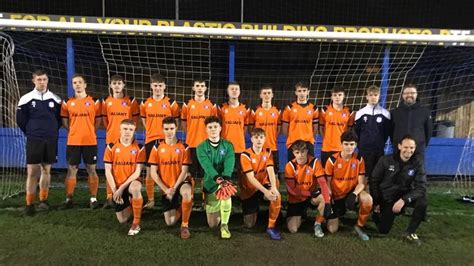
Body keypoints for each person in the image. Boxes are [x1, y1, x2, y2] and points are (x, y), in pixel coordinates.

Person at [16, 70, 61, 215]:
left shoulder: (56, 99)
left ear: (47, 81)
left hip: (50, 138)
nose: (42, 82)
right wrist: (32, 132)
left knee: (46, 169)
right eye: (39, 79)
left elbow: (59, 120)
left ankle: (43, 201)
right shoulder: (26, 99)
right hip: (34, 139)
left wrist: (51, 130)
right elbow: (21, 120)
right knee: (32, 171)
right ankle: (29, 204)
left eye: (44, 79)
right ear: (33, 81)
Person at [370, 135, 427, 245]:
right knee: (384, 230)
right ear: (399, 146)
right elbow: (374, 181)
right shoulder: (385, 160)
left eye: (412, 148)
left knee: (422, 201)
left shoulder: (417, 162)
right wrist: (376, 202)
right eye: (406, 147)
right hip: (388, 196)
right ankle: (377, 215)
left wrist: (404, 200)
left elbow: (422, 187)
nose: (409, 151)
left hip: (404, 195)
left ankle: (410, 232)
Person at [60, 74, 101, 209]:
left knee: (91, 169)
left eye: (79, 82)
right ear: (72, 85)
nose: (77, 85)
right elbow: (65, 120)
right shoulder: (67, 102)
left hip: (90, 141)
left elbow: (98, 120)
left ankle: (93, 198)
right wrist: (73, 131)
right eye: (74, 83)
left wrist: (90, 131)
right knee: (72, 170)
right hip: (73, 141)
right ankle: (69, 198)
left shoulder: (94, 102)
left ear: (85, 85)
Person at [148, 117, 194, 240]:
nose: (169, 131)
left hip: (180, 182)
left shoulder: (184, 147)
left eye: (172, 128)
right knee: (170, 222)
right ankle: (186, 207)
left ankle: (185, 225)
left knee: (186, 192)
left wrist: (173, 188)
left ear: (176, 128)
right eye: (166, 129)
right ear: (162, 130)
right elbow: (153, 173)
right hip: (166, 187)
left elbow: (184, 171)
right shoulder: (156, 148)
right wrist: (166, 189)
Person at [140, 73, 179, 209]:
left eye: (160, 86)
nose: (157, 88)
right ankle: (151, 199)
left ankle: (166, 197)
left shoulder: (171, 103)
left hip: (166, 141)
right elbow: (144, 120)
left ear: (164, 87)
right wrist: (152, 131)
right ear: (151, 86)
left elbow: (175, 121)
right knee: (151, 170)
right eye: (155, 86)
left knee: (166, 170)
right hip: (151, 140)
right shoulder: (145, 103)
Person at [324, 131, 372, 241]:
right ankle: (335, 214)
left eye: (352, 144)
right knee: (332, 229)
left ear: (355, 145)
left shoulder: (359, 159)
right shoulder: (332, 160)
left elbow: (361, 183)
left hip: (351, 193)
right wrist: (329, 197)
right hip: (336, 196)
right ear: (341, 144)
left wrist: (354, 194)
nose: (349, 147)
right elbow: (327, 182)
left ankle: (359, 226)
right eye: (346, 144)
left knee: (367, 199)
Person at [102, 75, 139, 208]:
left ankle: (128, 193)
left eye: (119, 83)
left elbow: (134, 120)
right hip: (112, 138)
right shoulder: (106, 101)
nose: (117, 86)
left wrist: (129, 134)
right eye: (114, 83)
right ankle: (110, 196)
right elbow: (106, 121)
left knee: (130, 167)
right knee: (111, 169)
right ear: (110, 86)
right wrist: (112, 130)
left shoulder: (131, 101)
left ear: (123, 85)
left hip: (128, 140)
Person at [104, 119, 145, 236]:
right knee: (122, 220)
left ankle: (136, 223)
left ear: (134, 131)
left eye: (131, 129)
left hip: (131, 183)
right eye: (125, 129)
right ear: (120, 130)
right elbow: (108, 171)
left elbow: (137, 172)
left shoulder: (140, 147)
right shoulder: (111, 147)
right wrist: (115, 191)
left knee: (136, 188)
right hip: (116, 186)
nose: (128, 132)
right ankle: (135, 204)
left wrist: (121, 188)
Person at [196, 116, 235, 239]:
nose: (213, 129)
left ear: (220, 128)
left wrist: (226, 178)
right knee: (212, 224)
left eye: (215, 127)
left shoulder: (228, 145)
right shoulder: (200, 147)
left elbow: (230, 162)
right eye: (210, 127)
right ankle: (216, 206)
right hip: (210, 183)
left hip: (224, 180)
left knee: (226, 190)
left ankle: (225, 225)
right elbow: (206, 165)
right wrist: (217, 178)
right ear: (206, 129)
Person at [239, 128, 281, 240]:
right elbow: (251, 178)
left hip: (264, 184)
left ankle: (271, 227)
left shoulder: (268, 151)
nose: (259, 140)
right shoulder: (245, 154)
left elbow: (271, 170)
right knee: (249, 224)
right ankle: (262, 211)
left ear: (265, 139)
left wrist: (273, 188)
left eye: (261, 137)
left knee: (276, 195)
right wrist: (266, 192)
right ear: (251, 139)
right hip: (250, 189)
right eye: (256, 137)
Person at [284, 140, 332, 237]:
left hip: (311, 198)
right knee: (293, 229)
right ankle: (301, 216)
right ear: (293, 153)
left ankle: (317, 224)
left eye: (302, 152)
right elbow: (292, 190)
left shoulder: (315, 162)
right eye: (297, 152)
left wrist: (327, 202)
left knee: (324, 197)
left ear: (307, 151)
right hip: (297, 199)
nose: (300, 155)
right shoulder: (290, 166)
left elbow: (323, 183)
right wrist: (309, 193)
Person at [180, 78, 217, 186]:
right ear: (193, 88)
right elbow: (184, 123)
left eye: (202, 86)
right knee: (190, 174)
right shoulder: (187, 104)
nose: (200, 88)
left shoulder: (211, 105)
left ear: (205, 88)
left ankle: (205, 199)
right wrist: (191, 133)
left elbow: (215, 125)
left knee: (206, 173)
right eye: (197, 86)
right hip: (191, 144)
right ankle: (189, 198)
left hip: (207, 145)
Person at [354, 85, 391, 187]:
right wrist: (362, 144)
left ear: (379, 96)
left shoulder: (385, 114)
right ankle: (364, 200)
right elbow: (356, 132)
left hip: (378, 150)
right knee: (363, 176)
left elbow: (386, 132)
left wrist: (380, 143)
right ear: (367, 97)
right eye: (371, 95)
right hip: (364, 150)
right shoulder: (360, 113)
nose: (373, 97)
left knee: (377, 176)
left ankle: (376, 200)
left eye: (375, 95)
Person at [218, 81, 250, 180]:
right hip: (225, 146)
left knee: (241, 174)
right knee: (225, 172)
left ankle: (243, 194)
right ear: (228, 91)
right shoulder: (221, 108)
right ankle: (225, 193)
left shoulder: (245, 109)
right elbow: (218, 126)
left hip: (240, 146)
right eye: (232, 89)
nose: (234, 91)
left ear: (239, 92)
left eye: (236, 89)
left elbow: (245, 128)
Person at [390, 84, 432, 157]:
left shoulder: (425, 112)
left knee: (418, 168)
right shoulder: (394, 112)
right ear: (402, 95)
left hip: (418, 150)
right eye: (406, 93)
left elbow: (428, 131)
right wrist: (396, 143)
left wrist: (421, 144)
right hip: (399, 150)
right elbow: (390, 131)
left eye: (412, 93)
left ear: (416, 94)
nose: (409, 95)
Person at [281, 82, 318, 161]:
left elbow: (315, 127)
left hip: (308, 142)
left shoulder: (314, 108)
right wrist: (290, 138)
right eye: (299, 91)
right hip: (293, 142)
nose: (302, 93)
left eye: (304, 91)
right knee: (292, 167)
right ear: (296, 92)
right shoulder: (289, 108)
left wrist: (310, 137)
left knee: (309, 168)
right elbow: (285, 126)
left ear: (308, 92)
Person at [249, 85, 281, 175]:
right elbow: (251, 129)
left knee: (274, 174)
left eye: (269, 93)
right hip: (258, 148)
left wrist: (273, 137)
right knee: (258, 173)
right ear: (260, 95)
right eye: (264, 93)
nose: (267, 95)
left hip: (272, 147)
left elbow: (279, 128)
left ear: (272, 95)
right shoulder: (255, 111)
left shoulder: (277, 111)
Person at [319, 86, 355, 166]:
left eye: (339, 95)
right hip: (327, 148)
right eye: (335, 95)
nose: (337, 97)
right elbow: (321, 127)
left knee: (340, 173)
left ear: (344, 96)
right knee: (325, 173)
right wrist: (325, 139)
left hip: (341, 148)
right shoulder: (324, 110)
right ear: (331, 97)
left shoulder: (350, 112)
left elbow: (349, 130)